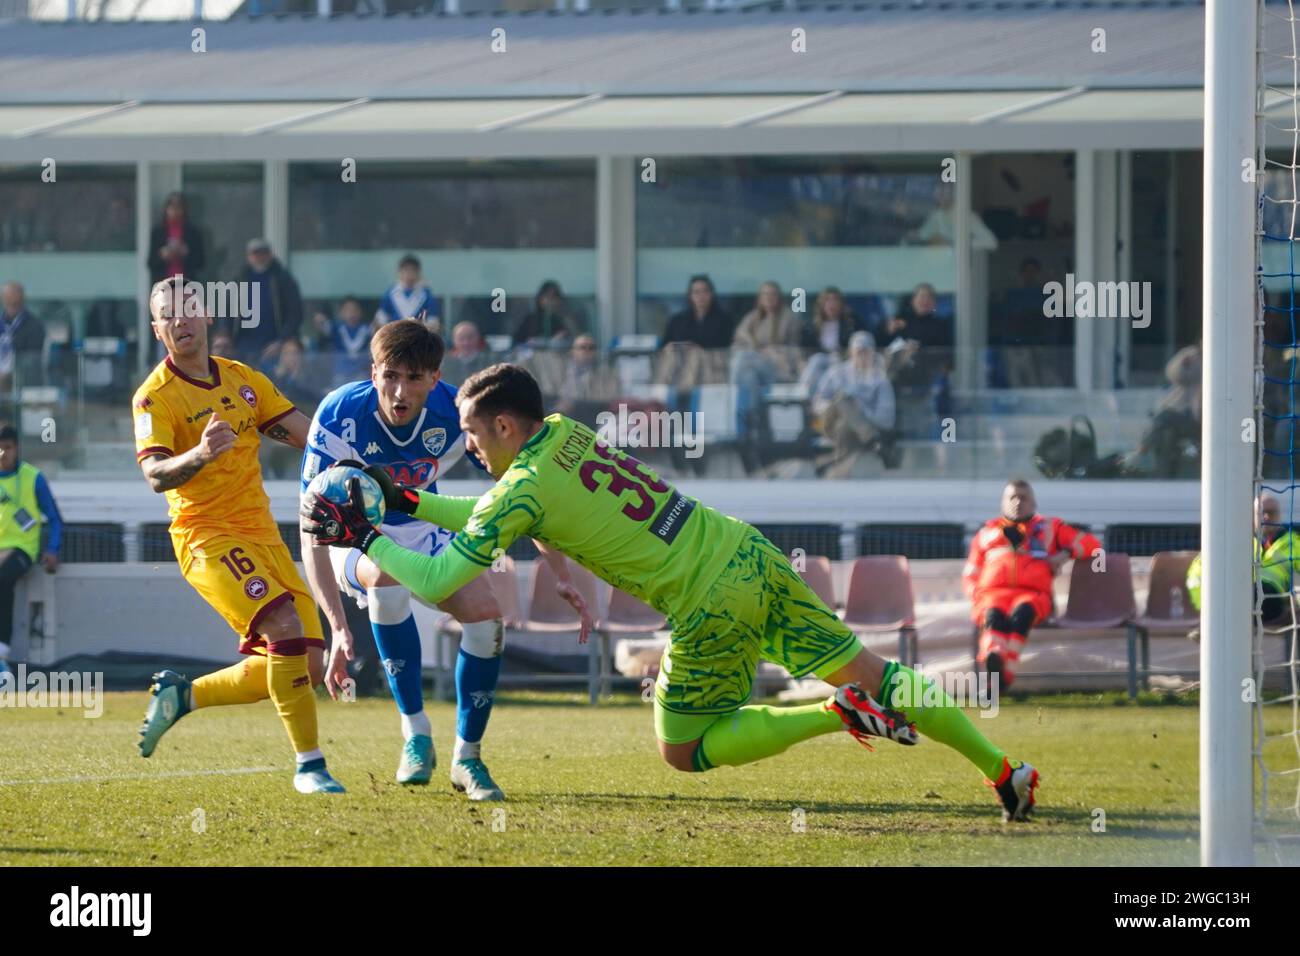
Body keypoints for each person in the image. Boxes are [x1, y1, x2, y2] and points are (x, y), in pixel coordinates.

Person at [304, 363, 1041, 823]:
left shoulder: (518, 488)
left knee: (682, 750)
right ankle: (1004, 772)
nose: (467, 448)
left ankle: (832, 713)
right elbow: (491, 509)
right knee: (879, 670)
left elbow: (436, 578)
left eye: (472, 433)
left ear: (503, 425)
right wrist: (405, 505)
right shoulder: (560, 433)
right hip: (746, 551)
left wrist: (365, 535)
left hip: (707, 601)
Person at [297, 320, 588, 800]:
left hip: (425, 523)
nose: (399, 391)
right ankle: (415, 733)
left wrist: (559, 572)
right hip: (355, 538)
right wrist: (337, 627)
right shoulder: (338, 413)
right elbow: (311, 529)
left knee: (487, 617)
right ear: (373, 373)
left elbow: (522, 492)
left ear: (435, 379)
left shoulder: (457, 413)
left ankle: (467, 758)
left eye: (414, 378)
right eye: (390, 375)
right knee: (387, 576)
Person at [132, 275, 344, 794]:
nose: (181, 320)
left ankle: (184, 697)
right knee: (283, 624)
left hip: (263, 535)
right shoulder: (154, 397)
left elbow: (305, 433)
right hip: (206, 536)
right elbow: (156, 475)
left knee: (306, 665)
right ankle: (310, 766)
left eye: (188, 309)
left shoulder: (244, 379)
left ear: (207, 315)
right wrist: (201, 453)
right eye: (168, 315)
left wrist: (359, 464)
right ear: (158, 330)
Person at [963, 479, 1102, 689]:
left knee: (1022, 615)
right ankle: (997, 660)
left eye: (1023, 497)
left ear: (1034, 504)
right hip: (991, 596)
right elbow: (970, 573)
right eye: (1013, 497)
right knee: (993, 616)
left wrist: (1064, 554)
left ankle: (1000, 674)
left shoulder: (1051, 528)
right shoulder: (986, 533)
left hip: (1033, 595)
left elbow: (1093, 544)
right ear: (1003, 503)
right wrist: (976, 597)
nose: (1018, 502)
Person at [0, 423, 61, 677]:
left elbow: (55, 518)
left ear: (16, 449)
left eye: (7, 448)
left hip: (22, 549)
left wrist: (52, 549)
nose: (3, 454)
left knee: (2, 579)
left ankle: (2, 656)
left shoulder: (32, 477)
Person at [812, 331, 898, 470]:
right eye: (859, 352)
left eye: (866, 352)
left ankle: (837, 468)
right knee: (842, 398)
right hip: (828, 421)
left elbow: (887, 420)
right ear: (851, 352)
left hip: (854, 428)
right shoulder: (836, 372)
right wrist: (839, 406)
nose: (863, 356)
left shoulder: (881, 380)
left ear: (873, 353)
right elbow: (817, 402)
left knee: (844, 426)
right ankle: (872, 442)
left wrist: (859, 410)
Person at [657, 274, 733, 404]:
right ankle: (661, 401)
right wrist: (672, 347)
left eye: (705, 291)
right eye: (696, 292)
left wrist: (699, 349)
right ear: (690, 296)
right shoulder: (678, 320)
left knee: (694, 357)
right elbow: (664, 345)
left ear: (711, 294)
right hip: (678, 363)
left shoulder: (724, 320)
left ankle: (683, 400)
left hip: (711, 364)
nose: (701, 296)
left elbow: (727, 347)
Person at [231, 238, 304, 368]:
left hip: (275, 347)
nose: (259, 257)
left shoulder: (283, 279)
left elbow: (295, 314)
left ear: (270, 255)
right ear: (249, 257)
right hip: (244, 348)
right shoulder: (239, 280)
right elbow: (227, 313)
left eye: (263, 253)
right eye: (255, 253)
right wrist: (228, 337)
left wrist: (281, 341)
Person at [799, 286, 865, 396]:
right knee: (817, 363)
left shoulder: (851, 323)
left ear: (841, 304)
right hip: (821, 365)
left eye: (835, 300)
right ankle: (809, 400)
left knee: (820, 363)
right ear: (821, 304)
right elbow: (804, 350)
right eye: (827, 300)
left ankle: (802, 396)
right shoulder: (812, 326)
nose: (832, 304)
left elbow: (859, 342)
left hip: (844, 362)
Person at [555, 334, 622, 429]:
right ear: (573, 351)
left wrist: (574, 404)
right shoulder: (562, 370)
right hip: (557, 415)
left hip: (588, 418)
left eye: (591, 348)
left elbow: (606, 400)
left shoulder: (605, 373)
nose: (586, 351)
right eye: (582, 347)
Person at [147, 192, 205, 286]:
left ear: (184, 210)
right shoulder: (158, 232)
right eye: (172, 207)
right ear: (166, 209)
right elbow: (151, 263)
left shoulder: (193, 233)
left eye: (178, 207)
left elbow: (201, 262)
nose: (175, 211)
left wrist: (186, 254)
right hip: (164, 287)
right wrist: (162, 255)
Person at [0, 281, 45, 390]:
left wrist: (8, 370)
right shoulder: (2, 323)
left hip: (22, 379)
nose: (12, 304)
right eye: (8, 301)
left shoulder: (34, 325)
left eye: (15, 302)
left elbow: (32, 358)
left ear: (22, 300)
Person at [512, 280, 583, 347]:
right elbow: (517, 341)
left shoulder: (565, 319)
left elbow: (579, 340)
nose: (550, 301)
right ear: (540, 299)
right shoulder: (531, 319)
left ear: (559, 300)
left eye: (553, 297)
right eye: (546, 296)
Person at [375, 255, 438, 329]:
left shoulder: (426, 295)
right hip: (394, 336)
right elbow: (381, 318)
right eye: (406, 270)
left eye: (413, 270)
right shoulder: (391, 293)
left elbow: (432, 321)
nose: (409, 274)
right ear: (399, 272)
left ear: (418, 273)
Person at [440, 320, 493, 387]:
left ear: (478, 338)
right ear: (454, 340)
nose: (466, 342)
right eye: (461, 338)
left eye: (470, 338)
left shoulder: (489, 362)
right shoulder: (445, 364)